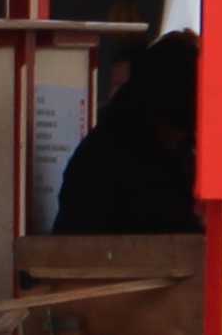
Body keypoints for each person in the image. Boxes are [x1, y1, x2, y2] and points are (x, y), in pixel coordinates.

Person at [45, 32, 199, 239]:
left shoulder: (113, 141)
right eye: (176, 126)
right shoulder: (116, 157)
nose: (180, 135)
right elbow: (167, 223)